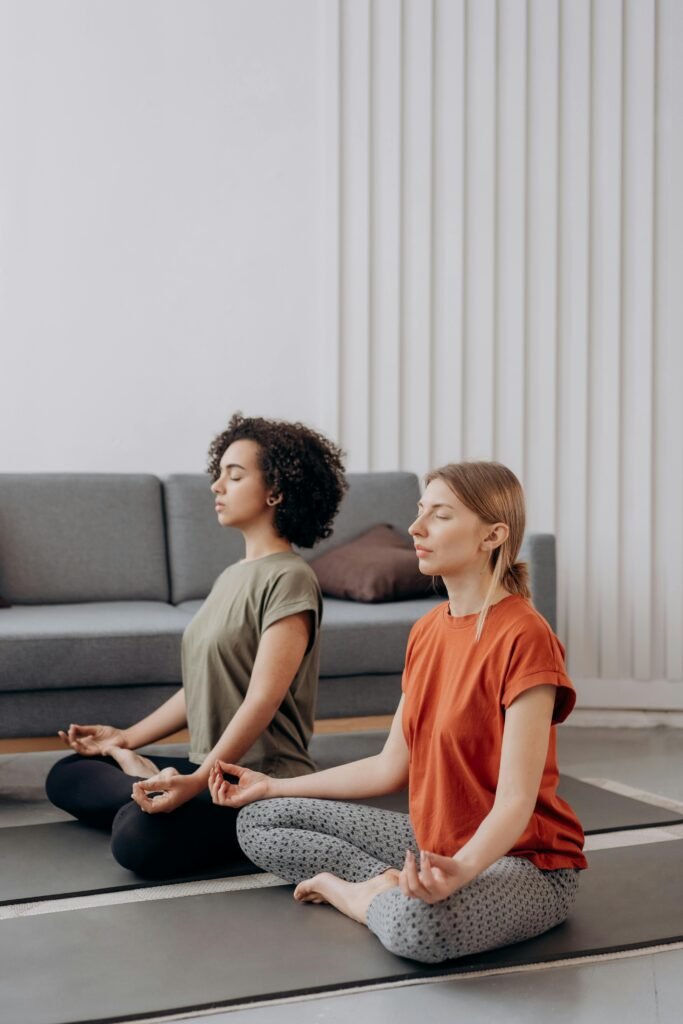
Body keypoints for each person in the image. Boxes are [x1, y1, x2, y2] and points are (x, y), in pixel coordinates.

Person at [208, 461, 587, 964]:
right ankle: (390, 883)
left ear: (492, 535)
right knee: (260, 821)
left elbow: (517, 802)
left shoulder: (526, 637)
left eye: (441, 515)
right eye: (419, 511)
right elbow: (390, 766)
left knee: (420, 928)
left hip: (524, 863)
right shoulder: (427, 631)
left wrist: (464, 869)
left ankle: (361, 895)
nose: (416, 528)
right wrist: (273, 785)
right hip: (433, 841)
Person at [45, 413, 347, 879]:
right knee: (66, 773)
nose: (216, 485)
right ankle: (147, 780)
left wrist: (199, 779)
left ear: (276, 491)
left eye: (235, 474)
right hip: (205, 767)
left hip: (257, 778)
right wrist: (125, 738)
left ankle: (153, 789)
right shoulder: (231, 577)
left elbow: (262, 699)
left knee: (136, 839)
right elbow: (203, 686)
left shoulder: (291, 578)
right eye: (219, 472)